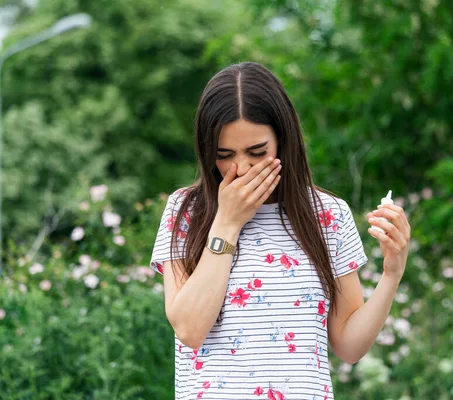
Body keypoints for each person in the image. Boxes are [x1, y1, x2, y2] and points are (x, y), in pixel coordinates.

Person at [150, 62, 411, 400]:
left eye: (257, 152)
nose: (241, 168)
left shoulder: (327, 215)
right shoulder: (186, 211)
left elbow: (349, 346)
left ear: (283, 140)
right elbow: (189, 329)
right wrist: (228, 222)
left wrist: (392, 273)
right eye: (224, 155)